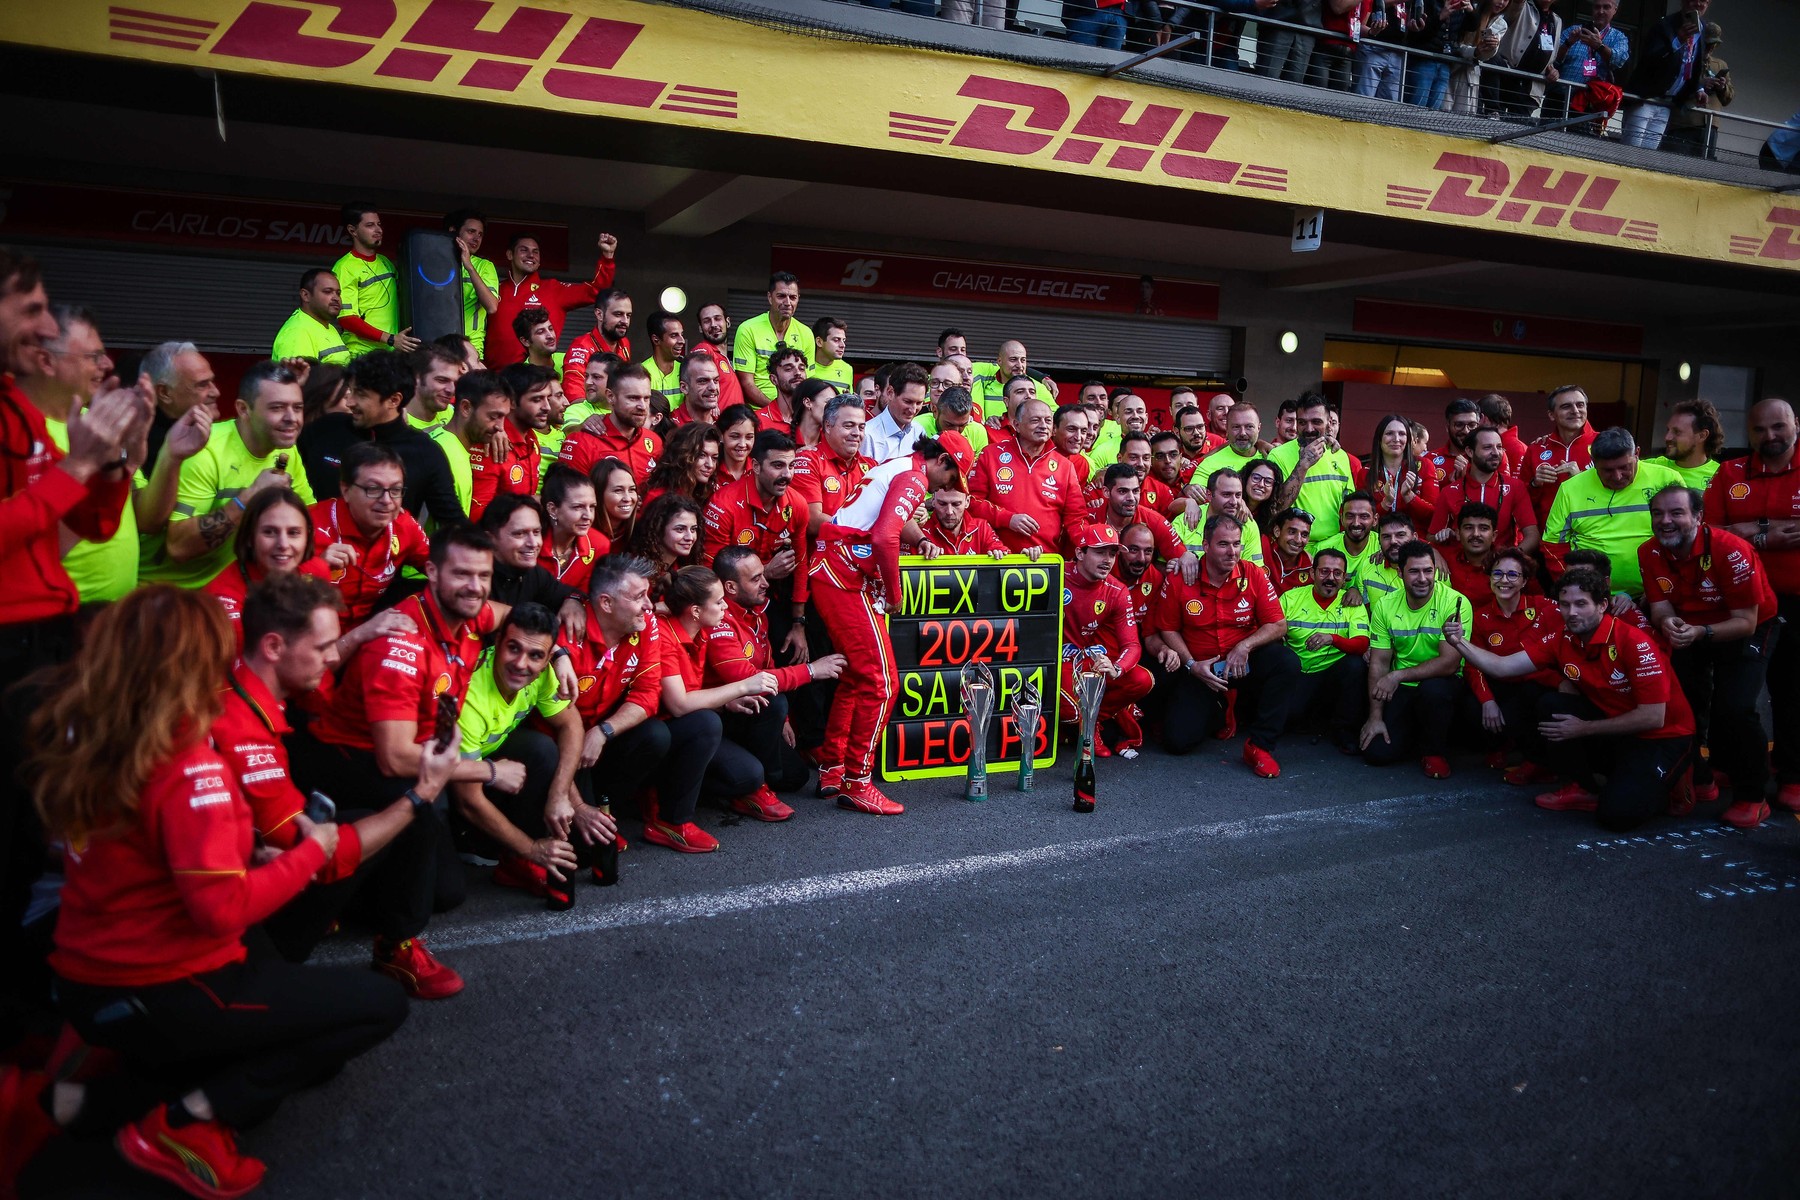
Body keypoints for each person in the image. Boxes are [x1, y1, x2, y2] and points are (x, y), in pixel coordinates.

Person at [18, 588, 412, 1197]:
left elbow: (144, 862)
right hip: (160, 982)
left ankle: (78, 1103)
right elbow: (219, 908)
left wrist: (244, 855)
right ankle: (182, 1125)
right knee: (377, 1005)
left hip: (89, 977)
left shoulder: (107, 738)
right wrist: (314, 851)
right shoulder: (189, 761)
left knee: (301, 1044)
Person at [0, 251, 142, 1029]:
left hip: (46, 641)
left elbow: (83, 518)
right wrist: (83, 462)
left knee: (35, 823)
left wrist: (114, 459)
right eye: (30, 312)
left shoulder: (36, 421)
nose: (44, 326)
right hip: (15, 647)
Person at [220, 574, 462, 993]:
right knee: (378, 1007)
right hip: (214, 926)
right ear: (274, 646)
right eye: (322, 647)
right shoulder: (243, 735)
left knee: (379, 816)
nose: (335, 656)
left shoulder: (247, 686)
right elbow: (316, 858)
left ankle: (392, 941)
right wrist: (424, 791)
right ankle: (270, 969)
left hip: (226, 874)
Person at [1445, 567, 1693, 828]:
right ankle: (1584, 787)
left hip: (1662, 736)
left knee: (1618, 816)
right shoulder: (1562, 637)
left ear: (1602, 605)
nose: (1572, 613)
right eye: (1565, 604)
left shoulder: (1634, 643)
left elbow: (1653, 717)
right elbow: (1502, 667)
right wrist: (1459, 642)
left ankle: (1678, 776)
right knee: (1552, 704)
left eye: (1581, 604)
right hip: (1615, 728)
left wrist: (1584, 728)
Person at [809, 434, 974, 812]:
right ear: (942, 461)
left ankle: (834, 768)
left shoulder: (900, 466)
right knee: (883, 684)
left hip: (835, 571)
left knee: (857, 677)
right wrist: (896, 596)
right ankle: (857, 781)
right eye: (951, 478)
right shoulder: (914, 476)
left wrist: (915, 540)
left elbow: (886, 525)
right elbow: (884, 538)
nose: (946, 487)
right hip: (844, 576)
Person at [23, 305, 196, 604]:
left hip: (116, 614)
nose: (106, 364)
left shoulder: (101, 422)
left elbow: (146, 520)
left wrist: (167, 454)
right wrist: (86, 466)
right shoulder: (20, 431)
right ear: (46, 361)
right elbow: (27, 549)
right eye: (92, 356)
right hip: (53, 618)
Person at [560, 554, 724, 855]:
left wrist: (603, 731)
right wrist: (576, 803)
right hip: (560, 748)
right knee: (587, 854)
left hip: (600, 741)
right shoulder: (568, 637)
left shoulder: (646, 624)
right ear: (607, 604)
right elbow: (548, 730)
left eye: (648, 594)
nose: (650, 605)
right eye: (638, 597)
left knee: (668, 732)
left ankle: (659, 819)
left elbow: (647, 696)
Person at [1641, 484, 1777, 828]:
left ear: (1699, 517)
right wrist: (1668, 622)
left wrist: (1700, 632)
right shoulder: (1649, 551)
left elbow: (1746, 622)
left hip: (1746, 626)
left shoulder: (1731, 549)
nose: (1665, 521)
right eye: (1658, 513)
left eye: (1676, 513)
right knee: (1682, 700)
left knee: (1736, 707)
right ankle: (1702, 777)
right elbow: (1659, 606)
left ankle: (1752, 796)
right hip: (1692, 627)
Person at [451, 601, 601, 906]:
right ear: (498, 642)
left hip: (484, 765)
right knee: (446, 894)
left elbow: (571, 724)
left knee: (540, 748)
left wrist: (561, 795)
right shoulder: (470, 695)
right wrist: (532, 847)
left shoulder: (544, 673)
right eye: (513, 649)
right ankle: (476, 842)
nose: (521, 664)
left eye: (535, 655)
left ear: (548, 659)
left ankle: (511, 859)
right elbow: (467, 799)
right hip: (442, 785)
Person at [1703, 398, 1800, 813]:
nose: (1770, 437)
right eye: (1760, 430)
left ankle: (1793, 774)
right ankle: (1734, 763)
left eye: (1779, 427)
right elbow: (1708, 530)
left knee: (1793, 689)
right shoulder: (1731, 472)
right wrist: (1768, 533)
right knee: (1734, 692)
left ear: (1796, 424)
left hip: (1797, 601)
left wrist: (1743, 530)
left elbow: (1729, 531)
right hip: (1744, 604)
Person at [144, 359, 315, 589]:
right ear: (243, 409)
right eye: (277, 408)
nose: (291, 418)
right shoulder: (204, 450)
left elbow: (310, 516)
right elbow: (178, 547)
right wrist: (250, 496)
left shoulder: (286, 450)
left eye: (297, 407)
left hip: (235, 589)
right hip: (171, 594)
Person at [1151, 513, 1298, 775]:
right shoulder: (1181, 578)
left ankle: (1260, 746)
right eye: (1223, 544)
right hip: (1201, 670)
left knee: (1285, 661)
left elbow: (1278, 625)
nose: (1232, 552)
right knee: (1177, 742)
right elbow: (1167, 627)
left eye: (1237, 544)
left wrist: (1245, 647)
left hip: (1242, 664)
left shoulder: (1253, 574)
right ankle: (1221, 707)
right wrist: (1191, 665)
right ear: (1205, 546)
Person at [707, 547, 843, 798]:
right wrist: (812, 670)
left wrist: (785, 721)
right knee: (773, 702)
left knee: (795, 777)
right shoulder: (719, 621)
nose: (765, 583)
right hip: (714, 721)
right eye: (756, 578)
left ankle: (753, 777)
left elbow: (767, 666)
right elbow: (750, 678)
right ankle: (752, 790)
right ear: (731, 587)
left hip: (744, 713)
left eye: (763, 575)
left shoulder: (757, 612)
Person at [653, 566, 783, 828]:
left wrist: (726, 702)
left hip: (686, 726)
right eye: (719, 601)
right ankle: (669, 819)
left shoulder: (700, 630)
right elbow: (679, 704)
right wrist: (742, 687)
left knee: (753, 771)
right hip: (657, 733)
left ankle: (738, 791)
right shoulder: (665, 636)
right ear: (696, 611)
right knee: (707, 724)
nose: (725, 607)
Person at [297, 349, 463, 525]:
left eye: (360, 394)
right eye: (350, 392)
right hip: (320, 548)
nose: (349, 402)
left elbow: (452, 522)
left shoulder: (425, 452)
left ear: (394, 400)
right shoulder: (323, 430)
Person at [1359, 539, 1474, 779]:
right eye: (1414, 571)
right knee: (1376, 754)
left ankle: (1434, 752)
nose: (1422, 578)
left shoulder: (1455, 602)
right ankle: (1414, 735)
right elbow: (1379, 662)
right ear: (1400, 573)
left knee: (1434, 691)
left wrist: (1398, 675)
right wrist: (1375, 717)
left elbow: (1449, 663)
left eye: (1428, 570)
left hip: (1442, 683)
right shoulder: (1385, 606)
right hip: (1404, 687)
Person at [1543, 427, 1683, 596]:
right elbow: (1553, 545)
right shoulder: (1570, 489)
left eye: (1625, 467)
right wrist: (1575, 588)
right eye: (1607, 470)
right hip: (1592, 597)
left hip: (1660, 592)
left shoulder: (1667, 479)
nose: (1617, 476)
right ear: (1593, 462)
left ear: (1637, 453)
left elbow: (1687, 535)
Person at [1464, 545, 1563, 779]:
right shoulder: (1480, 618)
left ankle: (1537, 762)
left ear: (1524, 580)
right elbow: (1472, 663)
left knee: (1533, 695)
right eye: (1497, 574)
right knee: (1472, 703)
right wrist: (1487, 701)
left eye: (1512, 575)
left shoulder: (1546, 608)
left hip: (1538, 686)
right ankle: (1498, 745)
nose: (1503, 580)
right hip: (1501, 685)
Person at [312, 442, 431, 627]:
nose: (386, 501)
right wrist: (316, 567)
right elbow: (270, 595)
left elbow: (441, 569)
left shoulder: (404, 525)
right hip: (308, 636)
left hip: (370, 636)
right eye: (373, 489)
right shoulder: (306, 526)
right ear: (346, 490)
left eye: (395, 490)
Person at [1060, 523, 1154, 756]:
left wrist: (1117, 668)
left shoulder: (1117, 590)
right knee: (1070, 710)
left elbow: (1132, 645)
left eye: (1112, 553)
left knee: (1143, 679)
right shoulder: (1055, 574)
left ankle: (1091, 724)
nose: (1108, 560)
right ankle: (1083, 724)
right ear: (1080, 553)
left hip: (1088, 664)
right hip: (1056, 665)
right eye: (1100, 552)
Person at [701, 430, 809, 625]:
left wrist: (798, 622)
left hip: (773, 596)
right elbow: (711, 574)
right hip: (728, 603)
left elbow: (801, 564)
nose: (787, 475)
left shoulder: (798, 504)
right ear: (757, 466)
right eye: (778, 466)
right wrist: (765, 572)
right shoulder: (724, 505)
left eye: (791, 466)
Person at [203, 487, 336, 632]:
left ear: (307, 536)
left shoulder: (317, 571)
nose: (283, 544)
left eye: (293, 533)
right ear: (249, 536)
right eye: (269, 532)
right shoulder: (221, 599)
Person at [1278, 546, 1369, 753]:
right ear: (1312, 573)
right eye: (1324, 571)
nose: (1331, 578)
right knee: (1291, 716)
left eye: (1337, 573)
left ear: (1345, 577)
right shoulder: (1291, 598)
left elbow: (1362, 643)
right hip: (1299, 673)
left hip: (1332, 675)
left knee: (1355, 665)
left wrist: (1332, 639)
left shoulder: (1352, 603)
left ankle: (1344, 730)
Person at [967, 398, 1087, 556]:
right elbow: (972, 503)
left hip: (1044, 560)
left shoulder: (1065, 466)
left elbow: (1076, 518)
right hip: (995, 557)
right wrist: (1007, 519)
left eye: (1048, 421)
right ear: (1016, 425)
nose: (1043, 426)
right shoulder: (991, 455)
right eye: (1035, 420)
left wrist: (1088, 546)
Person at [490, 230, 619, 371]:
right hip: (495, 380)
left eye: (535, 252)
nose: (531, 255)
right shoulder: (494, 290)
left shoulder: (552, 289)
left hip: (537, 380)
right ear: (510, 255)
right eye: (523, 250)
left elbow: (596, 290)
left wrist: (607, 257)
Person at [478, 492, 585, 630]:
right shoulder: (472, 577)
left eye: (536, 532)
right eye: (519, 533)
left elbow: (568, 592)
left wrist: (573, 600)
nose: (533, 543)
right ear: (490, 539)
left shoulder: (532, 574)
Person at [1428, 425, 1539, 553]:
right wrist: (1443, 537)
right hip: (1460, 566)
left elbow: (1532, 535)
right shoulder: (1449, 491)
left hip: (1500, 569)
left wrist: (1509, 559)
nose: (1496, 453)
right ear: (1470, 451)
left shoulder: (1515, 487)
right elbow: (1430, 537)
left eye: (1499, 447)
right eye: (1487, 447)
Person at [425, 369, 514, 524]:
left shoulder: (446, 443)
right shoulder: (445, 456)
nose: (500, 427)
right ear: (466, 408)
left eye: (503, 417)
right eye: (493, 416)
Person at [1622, 0, 1712, 150]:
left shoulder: (1702, 28)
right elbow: (1649, 58)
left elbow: (1692, 63)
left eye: (1704, 1)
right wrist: (1678, 41)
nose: (1699, 4)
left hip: (1666, 103)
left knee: (1648, 156)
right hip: (1645, 99)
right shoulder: (1665, 25)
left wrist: (1698, 89)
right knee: (1631, 151)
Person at [1270, 393, 1355, 547]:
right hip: (1293, 549)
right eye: (1302, 422)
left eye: (1316, 422)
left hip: (1333, 548)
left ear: (1329, 423)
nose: (1309, 429)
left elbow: (1350, 509)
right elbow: (1276, 507)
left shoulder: (1340, 456)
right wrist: (1303, 465)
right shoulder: (1278, 456)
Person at [332, 203, 416, 358]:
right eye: (370, 225)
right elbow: (346, 318)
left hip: (391, 353)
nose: (378, 230)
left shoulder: (385, 262)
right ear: (352, 231)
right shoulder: (344, 267)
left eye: (379, 224)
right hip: (362, 354)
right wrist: (390, 339)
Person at [558, 363, 661, 485]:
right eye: (633, 398)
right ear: (610, 396)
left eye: (646, 398)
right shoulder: (581, 444)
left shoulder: (654, 441)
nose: (642, 406)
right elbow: (571, 499)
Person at [141, 340, 222, 471]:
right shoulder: (137, 444)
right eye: (202, 384)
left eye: (212, 381)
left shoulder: (223, 433)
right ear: (165, 393)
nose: (216, 392)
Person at [734, 272, 812, 405]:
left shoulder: (806, 333)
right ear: (770, 297)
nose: (787, 303)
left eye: (792, 297)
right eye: (781, 296)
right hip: (758, 413)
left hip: (794, 412)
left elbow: (807, 382)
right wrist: (776, 411)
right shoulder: (747, 329)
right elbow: (746, 383)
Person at [1524, 384, 1596, 521]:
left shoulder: (1604, 444)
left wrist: (1581, 478)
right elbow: (1520, 502)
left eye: (1580, 405)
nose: (1575, 411)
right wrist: (1535, 484)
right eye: (1566, 406)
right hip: (1547, 535)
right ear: (1551, 415)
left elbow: (1618, 491)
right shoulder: (1536, 449)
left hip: (1591, 535)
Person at [1368, 412, 1438, 527]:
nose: (1396, 439)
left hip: (1415, 542)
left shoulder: (1424, 465)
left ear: (1409, 440)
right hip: (1378, 540)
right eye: (1389, 433)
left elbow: (1433, 516)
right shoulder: (1366, 472)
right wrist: (1386, 503)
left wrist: (1409, 496)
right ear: (1379, 439)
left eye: (1402, 434)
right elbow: (1362, 519)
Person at [271, 268, 349, 366]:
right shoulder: (298, 332)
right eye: (328, 291)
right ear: (305, 295)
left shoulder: (328, 326)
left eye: (338, 293)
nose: (336, 298)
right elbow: (301, 379)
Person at [1643, 398, 1724, 489]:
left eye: (1677, 432)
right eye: (1668, 430)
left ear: (1702, 436)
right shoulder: (1651, 467)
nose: (1667, 437)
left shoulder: (1720, 476)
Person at [642, 421, 723, 510]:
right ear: (683, 455)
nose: (710, 465)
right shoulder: (658, 498)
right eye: (701, 455)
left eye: (714, 458)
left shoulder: (707, 496)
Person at [915, 487, 1011, 558]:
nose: (949, 511)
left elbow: (1006, 557)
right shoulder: (919, 532)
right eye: (942, 504)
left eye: (956, 504)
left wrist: (1001, 555)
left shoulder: (981, 528)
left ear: (967, 502)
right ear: (933, 501)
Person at [861, 362, 927, 462]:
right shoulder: (867, 435)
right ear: (890, 393)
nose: (913, 410)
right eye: (907, 402)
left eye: (919, 403)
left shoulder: (919, 431)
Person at [632, 493, 705, 581]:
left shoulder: (680, 566)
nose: (690, 537)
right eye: (680, 529)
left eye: (693, 529)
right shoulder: (639, 575)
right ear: (658, 529)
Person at [692, 301, 745, 412]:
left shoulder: (729, 356)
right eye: (707, 321)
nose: (713, 325)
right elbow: (693, 382)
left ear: (728, 322)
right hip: (717, 425)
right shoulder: (704, 349)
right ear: (701, 328)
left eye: (717, 318)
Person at [403, 342, 462, 432]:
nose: (451, 390)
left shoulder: (454, 416)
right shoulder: (398, 424)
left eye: (455, 383)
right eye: (442, 380)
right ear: (416, 377)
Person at [642, 308, 687, 417]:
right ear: (656, 339)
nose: (682, 341)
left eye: (681, 334)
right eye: (674, 335)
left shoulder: (686, 370)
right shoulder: (641, 373)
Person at [589, 456, 640, 548]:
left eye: (632, 489)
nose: (627, 498)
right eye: (618, 490)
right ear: (597, 494)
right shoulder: (581, 533)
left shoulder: (643, 531)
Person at [1263, 507, 1314, 594]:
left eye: (1304, 535)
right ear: (1277, 531)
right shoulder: (1263, 545)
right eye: (1292, 532)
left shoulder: (1310, 568)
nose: (1298, 540)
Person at [672, 350, 724, 429]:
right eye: (703, 381)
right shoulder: (670, 426)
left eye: (716, 380)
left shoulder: (724, 425)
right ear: (684, 388)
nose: (713, 387)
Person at [714, 403, 758, 489]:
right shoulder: (710, 469)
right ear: (721, 435)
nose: (742, 444)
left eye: (749, 437)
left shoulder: (760, 471)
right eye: (735, 436)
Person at [810, 316, 853, 390]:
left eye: (844, 340)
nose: (843, 345)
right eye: (836, 340)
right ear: (819, 342)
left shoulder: (847, 369)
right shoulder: (803, 367)